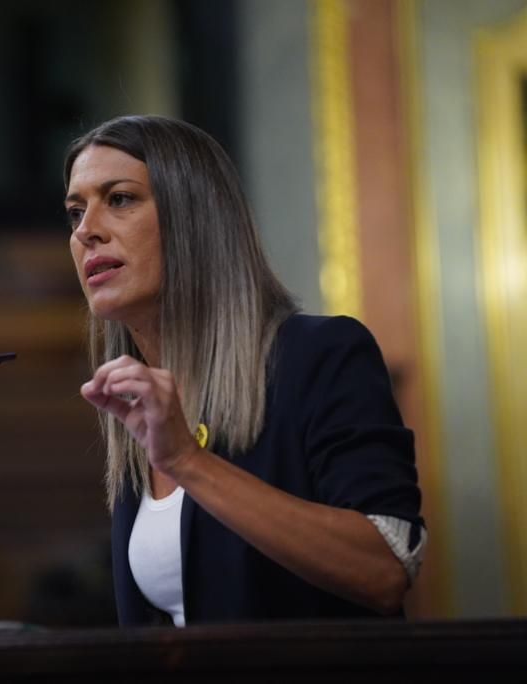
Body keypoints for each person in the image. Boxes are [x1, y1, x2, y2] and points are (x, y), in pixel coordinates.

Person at [63, 115, 425, 625]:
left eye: (119, 199)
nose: (86, 232)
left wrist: (189, 460)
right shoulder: (132, 408)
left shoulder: (318, 356)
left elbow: (386, 569)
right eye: (75, 213)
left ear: (194, 217)